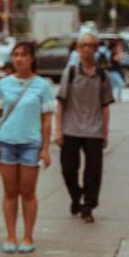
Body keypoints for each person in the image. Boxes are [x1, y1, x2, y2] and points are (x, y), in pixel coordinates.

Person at [0, 42, 54, 254]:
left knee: (28, 192)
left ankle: (28, 235)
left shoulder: (42, 86)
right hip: (7, 142)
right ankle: (10, 235)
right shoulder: (4, 84)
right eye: (15, 55)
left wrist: (45, 148)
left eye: (24, 55)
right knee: (9, 191)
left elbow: (46, 119)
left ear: (32, 58)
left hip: (30, 144)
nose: (19, 59)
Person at [55, 33, 115, 224]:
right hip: (71, 128)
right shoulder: (70, 73)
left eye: (91, 46)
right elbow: (61, 102)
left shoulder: (102, 75)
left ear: (96, 49)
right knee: (68, 169)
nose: (87, 49)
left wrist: (105, 133)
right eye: (83, 46)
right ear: (78, 49)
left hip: (94, 130)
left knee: (93, 171)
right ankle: (76, 196)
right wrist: (58, 130)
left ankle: (88, 206)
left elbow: (105, 105)